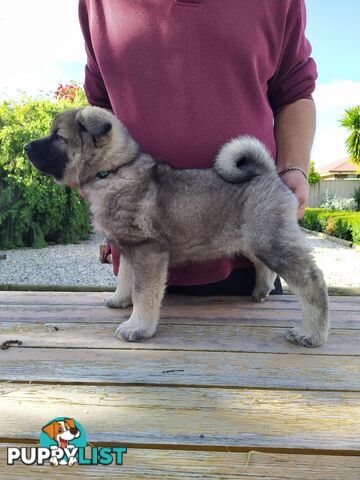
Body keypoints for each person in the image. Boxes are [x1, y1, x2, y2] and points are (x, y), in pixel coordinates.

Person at [78, 0, 317, 296]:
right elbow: (99, 103)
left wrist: (293, 167)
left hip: (249, 251)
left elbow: (295, 91)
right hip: (139, 260)